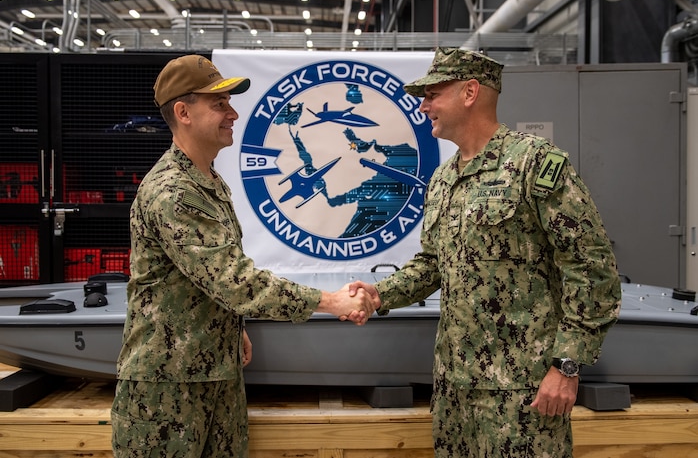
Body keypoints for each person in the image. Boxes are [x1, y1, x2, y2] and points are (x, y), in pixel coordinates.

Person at [349, 47, 621, 458]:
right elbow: (432, 264)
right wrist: (379, 294)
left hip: (522, 392)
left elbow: (592, 268)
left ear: (470, 92)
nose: (424, 106)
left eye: (433, 94)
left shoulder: (535, 164)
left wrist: (566, 366)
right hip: (454, 389)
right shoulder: (444, 178)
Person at [111, 54, 376, 458]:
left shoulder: (209, 181)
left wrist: (232, 325)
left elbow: (207, 280)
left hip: (216, 376)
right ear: (183, 112)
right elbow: (235, 280)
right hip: (169, 390)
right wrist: (333, 302)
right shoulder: (173, 191)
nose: (232, 113)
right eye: (219, 104)